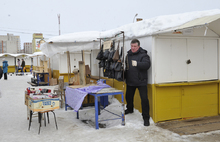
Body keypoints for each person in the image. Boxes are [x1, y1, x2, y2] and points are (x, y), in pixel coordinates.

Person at [124, 39, 151, 126]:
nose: (133, 48)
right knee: (128, 97)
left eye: (135, 46)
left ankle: (146, 118)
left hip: (141, 81)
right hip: (130, 80)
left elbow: (147, 65)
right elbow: (126, 66)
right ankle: (130, 109)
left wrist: (138, 64)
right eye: (132, 46)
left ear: (138, 46)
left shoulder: (144, 55)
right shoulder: (128, 55)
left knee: (144, 100)